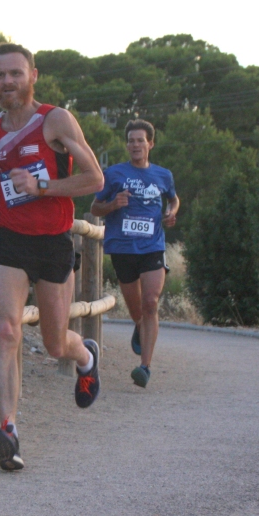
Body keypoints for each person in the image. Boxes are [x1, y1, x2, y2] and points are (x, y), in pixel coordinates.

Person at [0, 43, 104, 471]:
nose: (8, 82)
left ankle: (85, 355)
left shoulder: (54, 120)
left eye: (16, 73)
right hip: (8, 238)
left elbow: (94, 178)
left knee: (55, 344)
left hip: (52, 241)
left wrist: (43, 189)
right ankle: (8, 431)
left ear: (33, 75)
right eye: (0, 75)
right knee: (6, 331)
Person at [91, 119, 179, 388]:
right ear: (127, 145)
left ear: (150, 144)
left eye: (140, 140)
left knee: (151, 302)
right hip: (123, 248)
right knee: (137, 310)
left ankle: (145, 367)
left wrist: (172, 211)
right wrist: (113, 204)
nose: (135, 145)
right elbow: (95, 208)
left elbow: (173, 198)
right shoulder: (114, 174)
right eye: (131, 140)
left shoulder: (163, 175)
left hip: (152, 246)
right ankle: (140, 325)